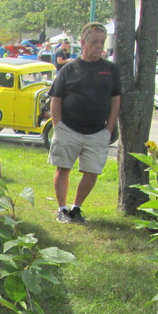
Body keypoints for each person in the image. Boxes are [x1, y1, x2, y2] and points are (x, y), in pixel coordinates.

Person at [47, 22, 122, 224]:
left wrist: (109, 129)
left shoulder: (110, 70)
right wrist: (58, 126)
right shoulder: (69, 69)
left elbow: (116, 101)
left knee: (92, 171)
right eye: (94, 42)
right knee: (63, 168)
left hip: (98, 131)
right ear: (83, 42)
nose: (99, 46)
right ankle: (62, 209)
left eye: (102, 42)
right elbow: (56, 99)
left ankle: (77, 208)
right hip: (68, 129)